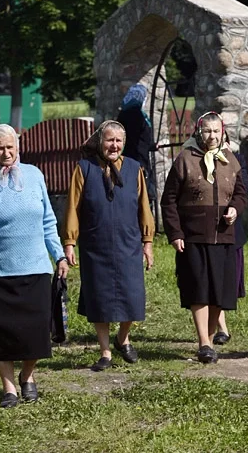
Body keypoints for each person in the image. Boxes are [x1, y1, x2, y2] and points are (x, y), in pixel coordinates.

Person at [0, 124, 69, 408]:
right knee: (1, 333)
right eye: (0, 148)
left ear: (18, 147)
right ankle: (8, 387)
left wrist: (58, 255)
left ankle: (28, 376)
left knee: (35, 331)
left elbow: (48, 220)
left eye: (10, 146)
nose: (6, 152)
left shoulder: (35, 176)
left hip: (35, 267)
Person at [61, 120, 155, 372]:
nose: (114, 145)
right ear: (100, 141)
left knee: (133, 297)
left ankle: (123, 338)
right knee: (99, 298)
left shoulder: (135, 168)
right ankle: (105, 352)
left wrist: (147, 241)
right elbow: (73, 207)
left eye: (118, 141)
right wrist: (69, 242)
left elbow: (144, 207)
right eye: (109, 140)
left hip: (129, 243)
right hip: (96, 245)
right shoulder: (84, 168)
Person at [161, 111, 248, 364]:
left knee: (219, 292)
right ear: (199, 131)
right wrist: (175, 233)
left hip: (224, 235)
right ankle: (204, 342)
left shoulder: (230, 159)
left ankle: (210, 338)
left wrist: (234, 208)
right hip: (193, 236)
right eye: (207, 131)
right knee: (199, 289)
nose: (212, 136)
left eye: (216, 131)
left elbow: (241, 194)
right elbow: (169, 200)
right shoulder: (185, 159)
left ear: (222, 132)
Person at [213, 150, 248, 345]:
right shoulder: (190, 158)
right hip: (204, 229)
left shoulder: (235, 159)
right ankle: (221, 328)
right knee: (213, 279)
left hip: (231, 229)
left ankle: (216, 325)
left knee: (227, 280)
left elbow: (247, 190)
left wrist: (234, 208)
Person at [116, 83, 156, 203]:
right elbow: (141, 139)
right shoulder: (138, 116)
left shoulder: (122, 115)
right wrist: (151, 145)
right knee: (141, 195)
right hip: (138, 160)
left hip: (124, 161)